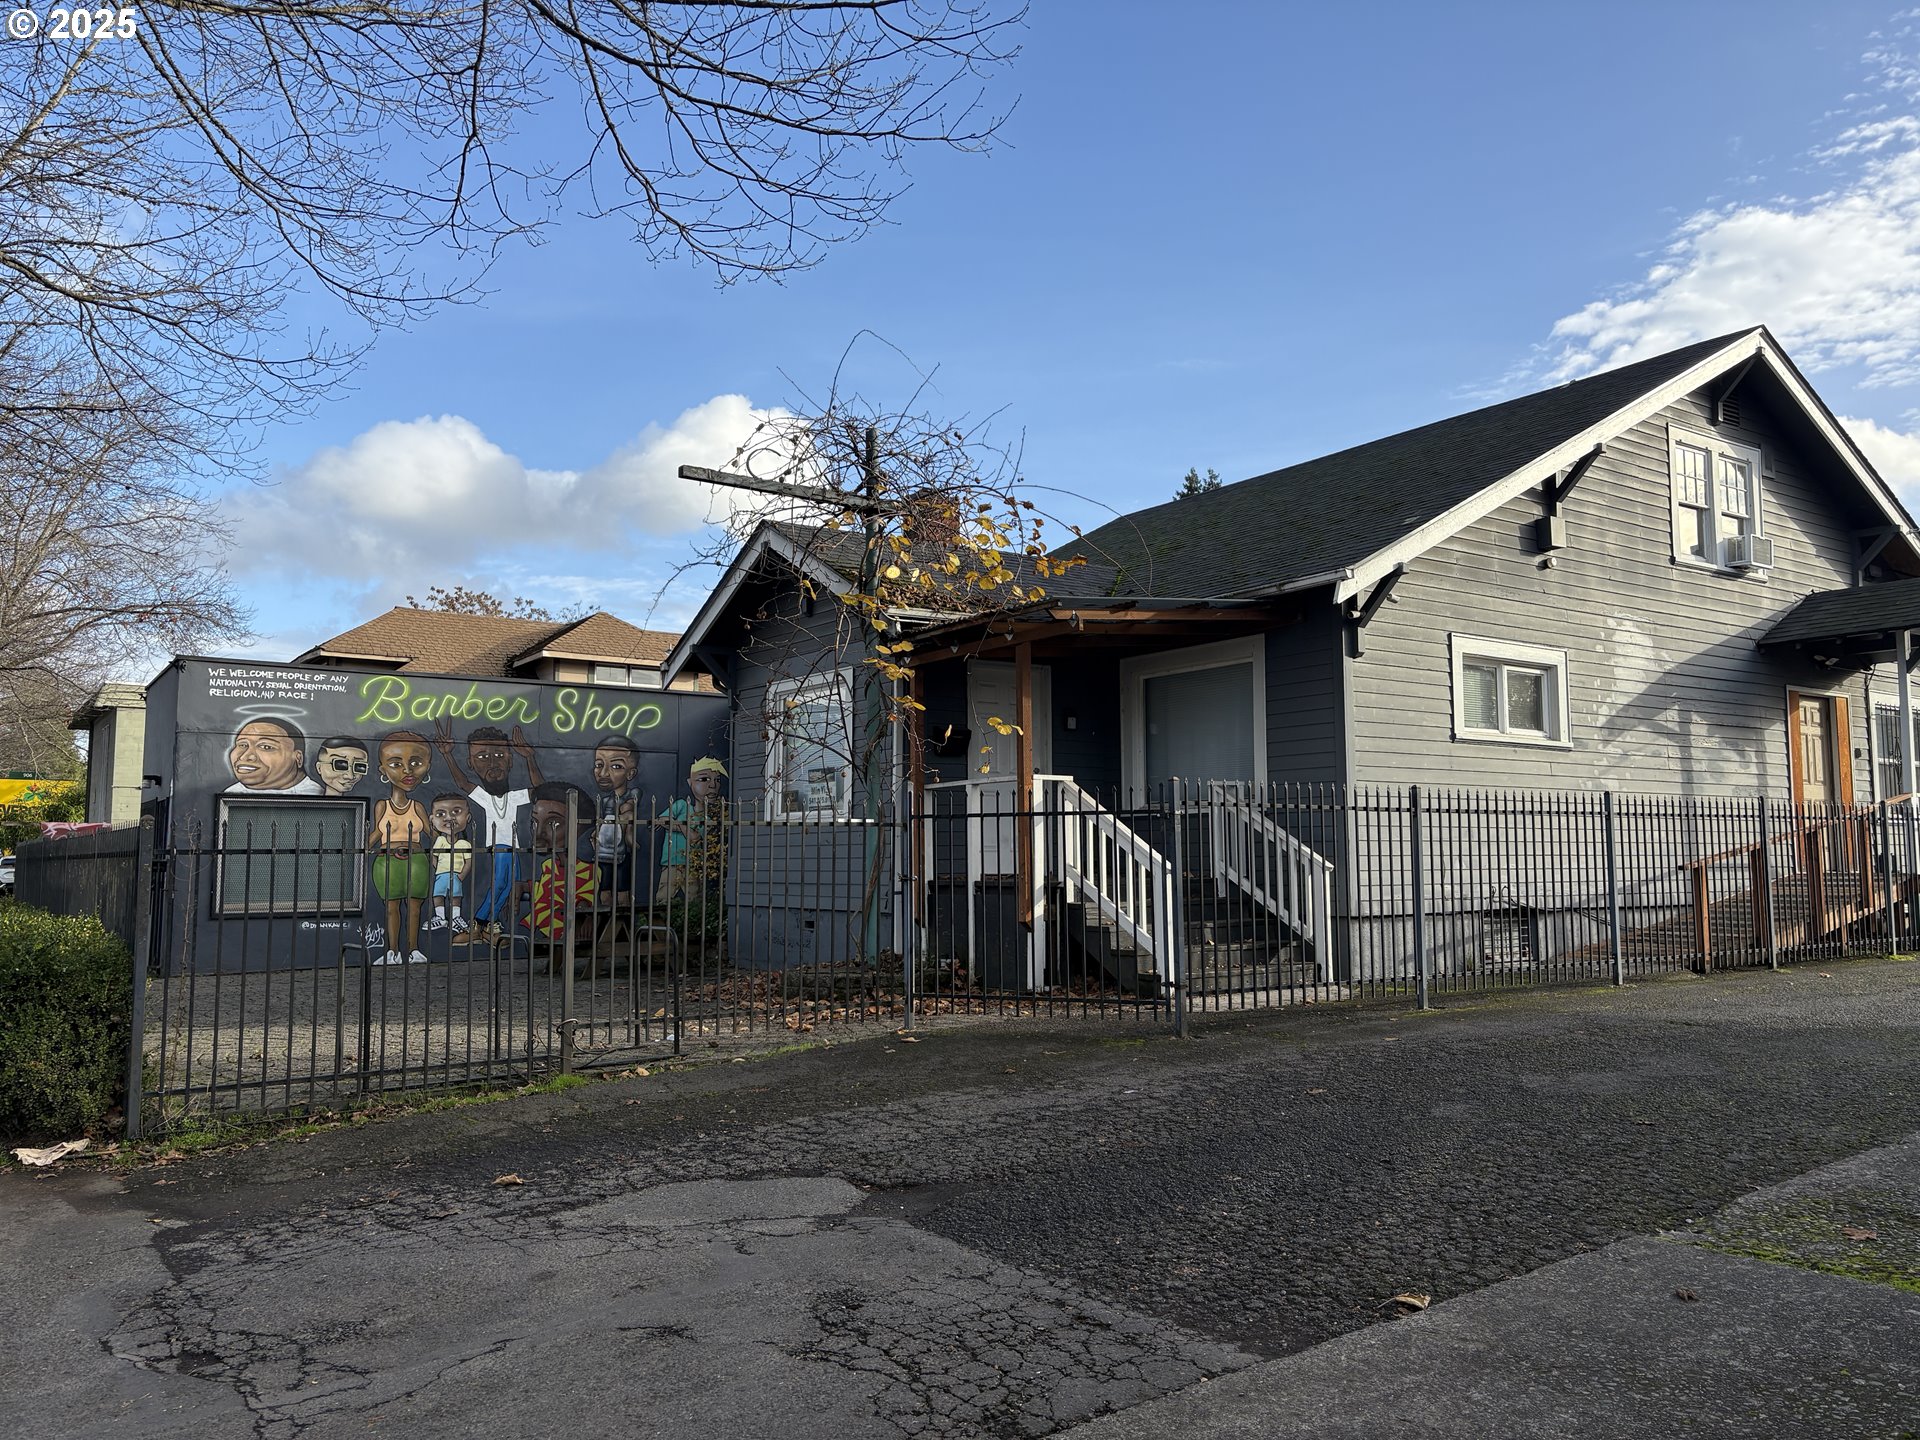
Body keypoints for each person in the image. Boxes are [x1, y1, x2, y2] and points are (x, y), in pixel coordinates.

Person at [432, 719, 543, 941]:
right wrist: (447, 755)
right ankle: (480, 921)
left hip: (514, 848)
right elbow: (463, 783)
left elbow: (541, 789)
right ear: (471, 763)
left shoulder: (513, 797)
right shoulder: (484, 797)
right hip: (500, 846)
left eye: (500, 755)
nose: (493, 762)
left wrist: (530, 757)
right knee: (501, 882)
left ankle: (488, 923)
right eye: (482, 757)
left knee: (511, 887)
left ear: (510, 760)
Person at [369, 730, 434, 964]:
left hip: (416, 860)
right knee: (391, 908)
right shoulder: (381, 805)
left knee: (415, 909)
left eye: (415, 763)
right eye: (396, 763)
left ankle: (414, 949)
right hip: (386, 860)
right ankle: (392, 951)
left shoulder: (417, 806)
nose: (407, 771)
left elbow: (430, 832)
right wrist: (359, 848)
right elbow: (377, 831)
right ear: (383, 770)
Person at [522, 781, 597, 941]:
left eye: (553, 823)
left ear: (579, 827)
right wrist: (525, 886)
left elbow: (587, 895)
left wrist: (584, 909)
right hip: (552, 936)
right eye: (534, 822)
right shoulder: (550, 866)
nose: (538, 833)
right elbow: (549, 891)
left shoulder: (588, 870)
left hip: (568, 935)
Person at [657, 757, 727, 904]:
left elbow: (695, 838)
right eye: (704, 779)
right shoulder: (681, 805)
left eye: (717, 780)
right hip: (672, 863)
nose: (712, 785)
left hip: (692, 865)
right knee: (663, 899)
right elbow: (662, 820)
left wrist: (680, 825)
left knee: (694, 899)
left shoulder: (708, 818)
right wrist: (684, 826)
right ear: (690, 782)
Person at [590, 734, 640, 897]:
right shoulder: (604, 800)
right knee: (604, 891)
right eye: (599, 764)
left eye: (616, 766)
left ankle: (622, 922)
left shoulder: (632, 793)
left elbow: (629, 809)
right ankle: (606, 922)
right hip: (605, 850)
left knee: (622, 892)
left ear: (631, 774)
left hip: (622, 851)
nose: (604, 773)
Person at [226, 717, 321, 794]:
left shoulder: (317, 795)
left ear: (298, 758)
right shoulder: (231, 793)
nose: (245, 756)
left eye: (266, 747)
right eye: (242, 745)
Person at [425, 792, 473, 936]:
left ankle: (455, 917)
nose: (449, 818)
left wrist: (461, 876)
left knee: (455, 896)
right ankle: (440, 917)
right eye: (441, 814)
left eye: (456, 812)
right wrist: (438, 868)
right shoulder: (440, 841)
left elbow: (468, 862)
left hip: (456, 875)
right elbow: (433, 856)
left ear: (468, 817)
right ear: (432, 820)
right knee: (438, 895)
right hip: (441, 874)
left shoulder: (464, 843)